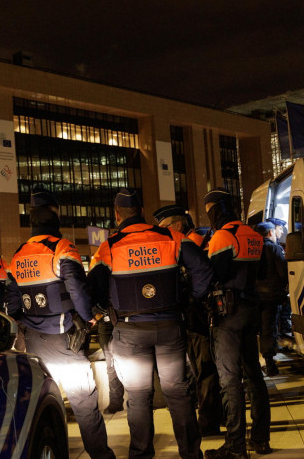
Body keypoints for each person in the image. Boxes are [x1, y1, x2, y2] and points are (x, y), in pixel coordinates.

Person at [89, 189, 213, 459]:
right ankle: (191, 454)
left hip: (130, 332)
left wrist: (103, 307)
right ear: (143, 211)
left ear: (117, 214)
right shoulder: (171, 237)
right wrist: (192, 298)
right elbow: (203, 268)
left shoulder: (109, 247)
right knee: (178, 394)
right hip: (169, 327)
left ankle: (141, 455)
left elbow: (94, 289)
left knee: (138, 396)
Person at [11, 186, 115, 459]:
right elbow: (78, 292)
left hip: (33, 343)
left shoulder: (18, 254)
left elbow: (12, 304)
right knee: (83, 402)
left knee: (43, 404)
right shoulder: (62, 248)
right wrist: (90, 316)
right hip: (63, 340)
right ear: (54, 215)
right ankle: (101, 456)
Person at [204, 187, 272, 458]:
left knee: (230, 380)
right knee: (254, 375)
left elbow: (212, 276)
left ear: (217, 209)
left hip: (228, 314)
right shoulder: (253, 234)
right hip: (251, 310)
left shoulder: (222, 236)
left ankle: (235, 446)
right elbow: (263, 272)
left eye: (209, 212)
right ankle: (260, 439)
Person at [152, 204, 223, 437]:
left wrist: (193, 298)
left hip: (197, 316)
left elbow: (202, 274)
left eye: (164, 227)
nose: (162, 232)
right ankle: (213, 414)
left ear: (177, 225)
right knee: (201, 368)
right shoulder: (194, 241)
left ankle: (208, 421)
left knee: (203, 368)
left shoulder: (190, 243)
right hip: (199, 315)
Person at [254, 221, 288, 377]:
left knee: (257, 330)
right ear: (269, 233)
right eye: (275, 232)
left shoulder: (252, 249)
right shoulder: (274, 248)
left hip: (253, 297)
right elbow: (283, 272)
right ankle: (269, 363)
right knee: (268, 329)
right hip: (270, 297)